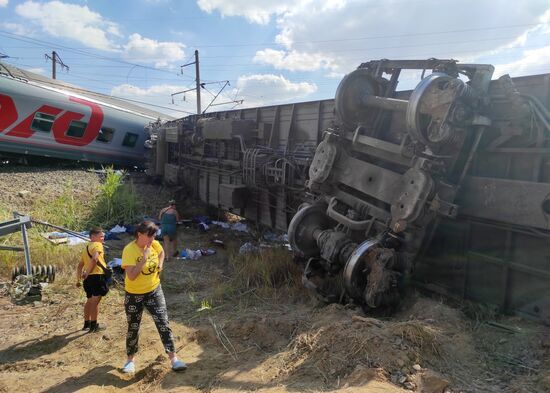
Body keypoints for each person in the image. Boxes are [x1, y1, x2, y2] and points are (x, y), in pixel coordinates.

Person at [120, 221, 187, 373]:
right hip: (134, 294)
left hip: (154, 290)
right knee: (133, 326)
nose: (153, 239)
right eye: (150, 236)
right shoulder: (129, 250)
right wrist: (143, 259)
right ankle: (130, 361)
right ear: (139, 234)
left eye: (154, 235)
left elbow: (162, 252)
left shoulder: (155, 244)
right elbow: (131, 276)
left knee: (163, 322)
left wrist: (160, 265)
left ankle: (174, 359)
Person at [76, 227, 108, 332]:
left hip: (88, 278)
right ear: (93, 237)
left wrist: (79, 279)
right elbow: (95, 259)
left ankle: (87, 324)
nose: (103, 238)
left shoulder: (87, 248)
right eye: (101, 236)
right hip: (96, 276)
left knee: (89, 300)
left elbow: (80, 265)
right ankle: (94, 326)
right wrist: (88, 272)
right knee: (95, 301)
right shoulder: (97, 245)